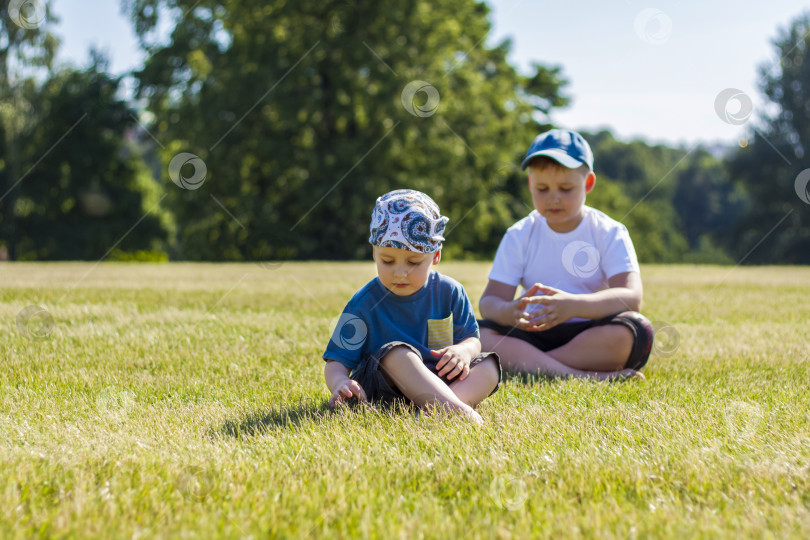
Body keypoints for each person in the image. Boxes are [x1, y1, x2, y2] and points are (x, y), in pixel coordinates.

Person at [478, 129, 654, 380]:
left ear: (588, 183)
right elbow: (490, 302)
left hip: (590, 331)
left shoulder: (609, 231)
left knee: (636, 330)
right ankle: (578, 374)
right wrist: (510, 312)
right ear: (530, 184)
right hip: (533, 332)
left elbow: (631, 298)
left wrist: (573, 307)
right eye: (542, 188)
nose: (553, 198)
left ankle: (531, 365)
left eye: (565, 188)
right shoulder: (519, 234)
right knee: (477, 334)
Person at [323, 189, 501, 423]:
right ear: (374, 253)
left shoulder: (450, 291)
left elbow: (472, 339)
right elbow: (337, 361)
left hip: (440, 376)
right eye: (387, 261)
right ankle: (455, 411)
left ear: (435, 256)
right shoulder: (363, 303)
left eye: (413, 262)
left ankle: (435, 410)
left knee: (490, 366)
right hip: (386, 386)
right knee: (396, 352)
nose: (400, 272)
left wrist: (464, 351)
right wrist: (340, 382)